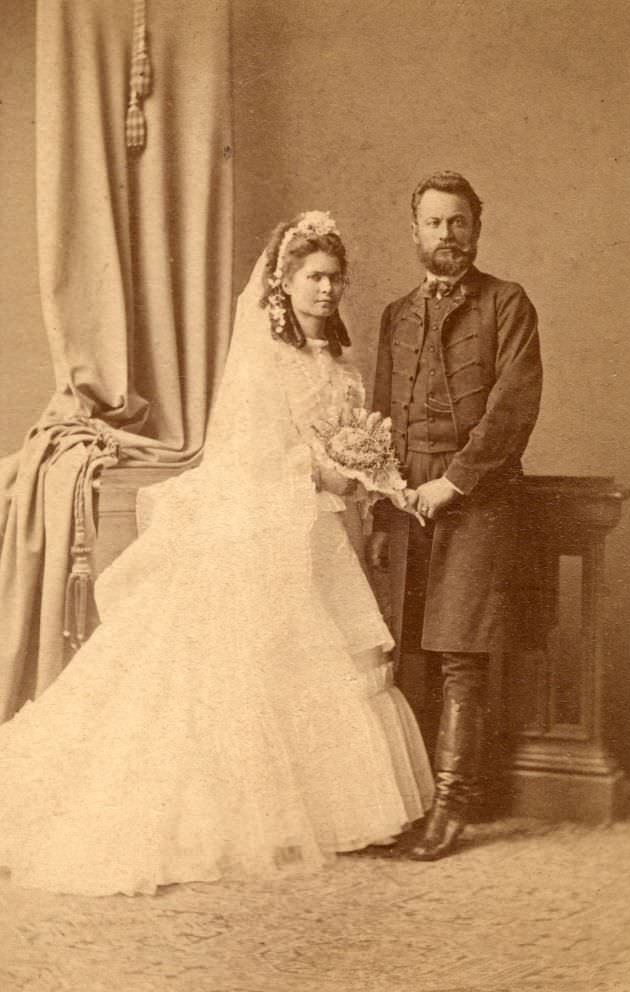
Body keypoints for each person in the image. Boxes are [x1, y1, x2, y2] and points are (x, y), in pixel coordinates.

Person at [0, 212, 432, 896]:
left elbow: (354, 437)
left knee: (332, 659)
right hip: (271, 523)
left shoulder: (343, 362)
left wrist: (361, 478)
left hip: (325, 531)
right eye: (313, 277)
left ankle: (319, 813)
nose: (326, 290)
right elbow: (247, 453)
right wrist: (319, 472)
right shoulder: (268, 359)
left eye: (335, 278)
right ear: (283, 283)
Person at [368, 172, 543, 861]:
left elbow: (514, 409)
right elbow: (380, 417)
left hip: (475, 503)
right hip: (406, 503)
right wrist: (386, 510)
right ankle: (412, 801)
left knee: (460, 656)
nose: (447, 235)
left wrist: (455, 484)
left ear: (477, 227)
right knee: (407, 651)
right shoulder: (394, 315)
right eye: (435, 223)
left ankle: (452, 807)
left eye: (459, 223)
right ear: (415, 232)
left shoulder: (508, 304)